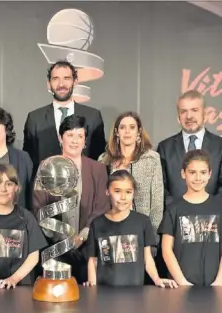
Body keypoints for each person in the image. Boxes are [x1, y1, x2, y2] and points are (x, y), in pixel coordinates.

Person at [33, 115, 110, 284]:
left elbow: (101, 207)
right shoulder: (46, 166)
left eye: (80, 136)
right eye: (70, 135)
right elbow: (39, 206)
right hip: (55, 247)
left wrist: (82, 237)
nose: (75, 141)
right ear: (61, 138)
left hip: (88, 249)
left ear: (85, 141)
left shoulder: (98, 169)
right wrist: (63, 239)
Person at [84, 170, 176, 288]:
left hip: (135, 294)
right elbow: (93, 260)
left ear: (133, 194)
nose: (123, 197)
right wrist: (92, 285)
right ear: (107, 192)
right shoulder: (97, 224)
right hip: (104, 294)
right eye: (117, 191)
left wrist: (157, 279)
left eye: (128, 192)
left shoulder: (143, 222)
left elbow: (147, 259)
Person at [158, 150, 222, 287]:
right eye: (192, 172)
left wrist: (219, 281)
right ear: (183, 174)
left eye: (203, 172)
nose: (198, 178)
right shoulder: (173, 209)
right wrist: (182, 282)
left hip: (214, 285)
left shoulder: (220, 208)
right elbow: (166, 249)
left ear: (210, 174)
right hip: (182, 286)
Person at [23, 60, 106, 176]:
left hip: (84, 189)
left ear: (75, 82)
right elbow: (28, 162)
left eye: (66, 78)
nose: (61, 84)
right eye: (56, 79)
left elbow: (99, 159)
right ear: (48, 84)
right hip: (45, 189)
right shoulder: (35, 118)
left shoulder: (93, 117)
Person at [157, 90, 222, 209]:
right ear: (178, 117)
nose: (189, 116)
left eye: (194, 110)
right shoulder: (164, 148)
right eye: (184, 111)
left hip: (211, 219)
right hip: (175, 220)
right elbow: (160, 188)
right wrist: (178, 211)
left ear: (205, 114)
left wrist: (207, 211)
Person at [98, 111, 164, 233]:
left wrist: (151, 234)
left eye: (132, 127)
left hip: (142, 230)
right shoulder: (104, 160)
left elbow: (157, 202)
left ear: (138, 132)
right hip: (110, 229)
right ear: (117, 133)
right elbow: (100, 199)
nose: (127, 131)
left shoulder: (151, 159)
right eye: (123, 127)